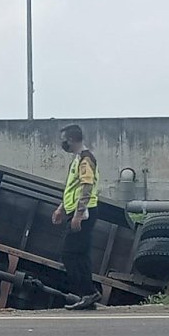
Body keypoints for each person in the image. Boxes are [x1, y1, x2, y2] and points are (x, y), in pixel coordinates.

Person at [52, 124, 102, 310]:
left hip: (84, 212)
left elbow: (86, 187)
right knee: (80, 254)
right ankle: (88, 294)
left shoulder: (85, 160)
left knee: (69, 254)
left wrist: (79, 215)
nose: (62, 143)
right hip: (78, 211)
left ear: (71, 139)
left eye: (63, 139)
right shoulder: (78, 159)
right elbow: (73, 188)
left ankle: (87, 292)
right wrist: (61, 208)